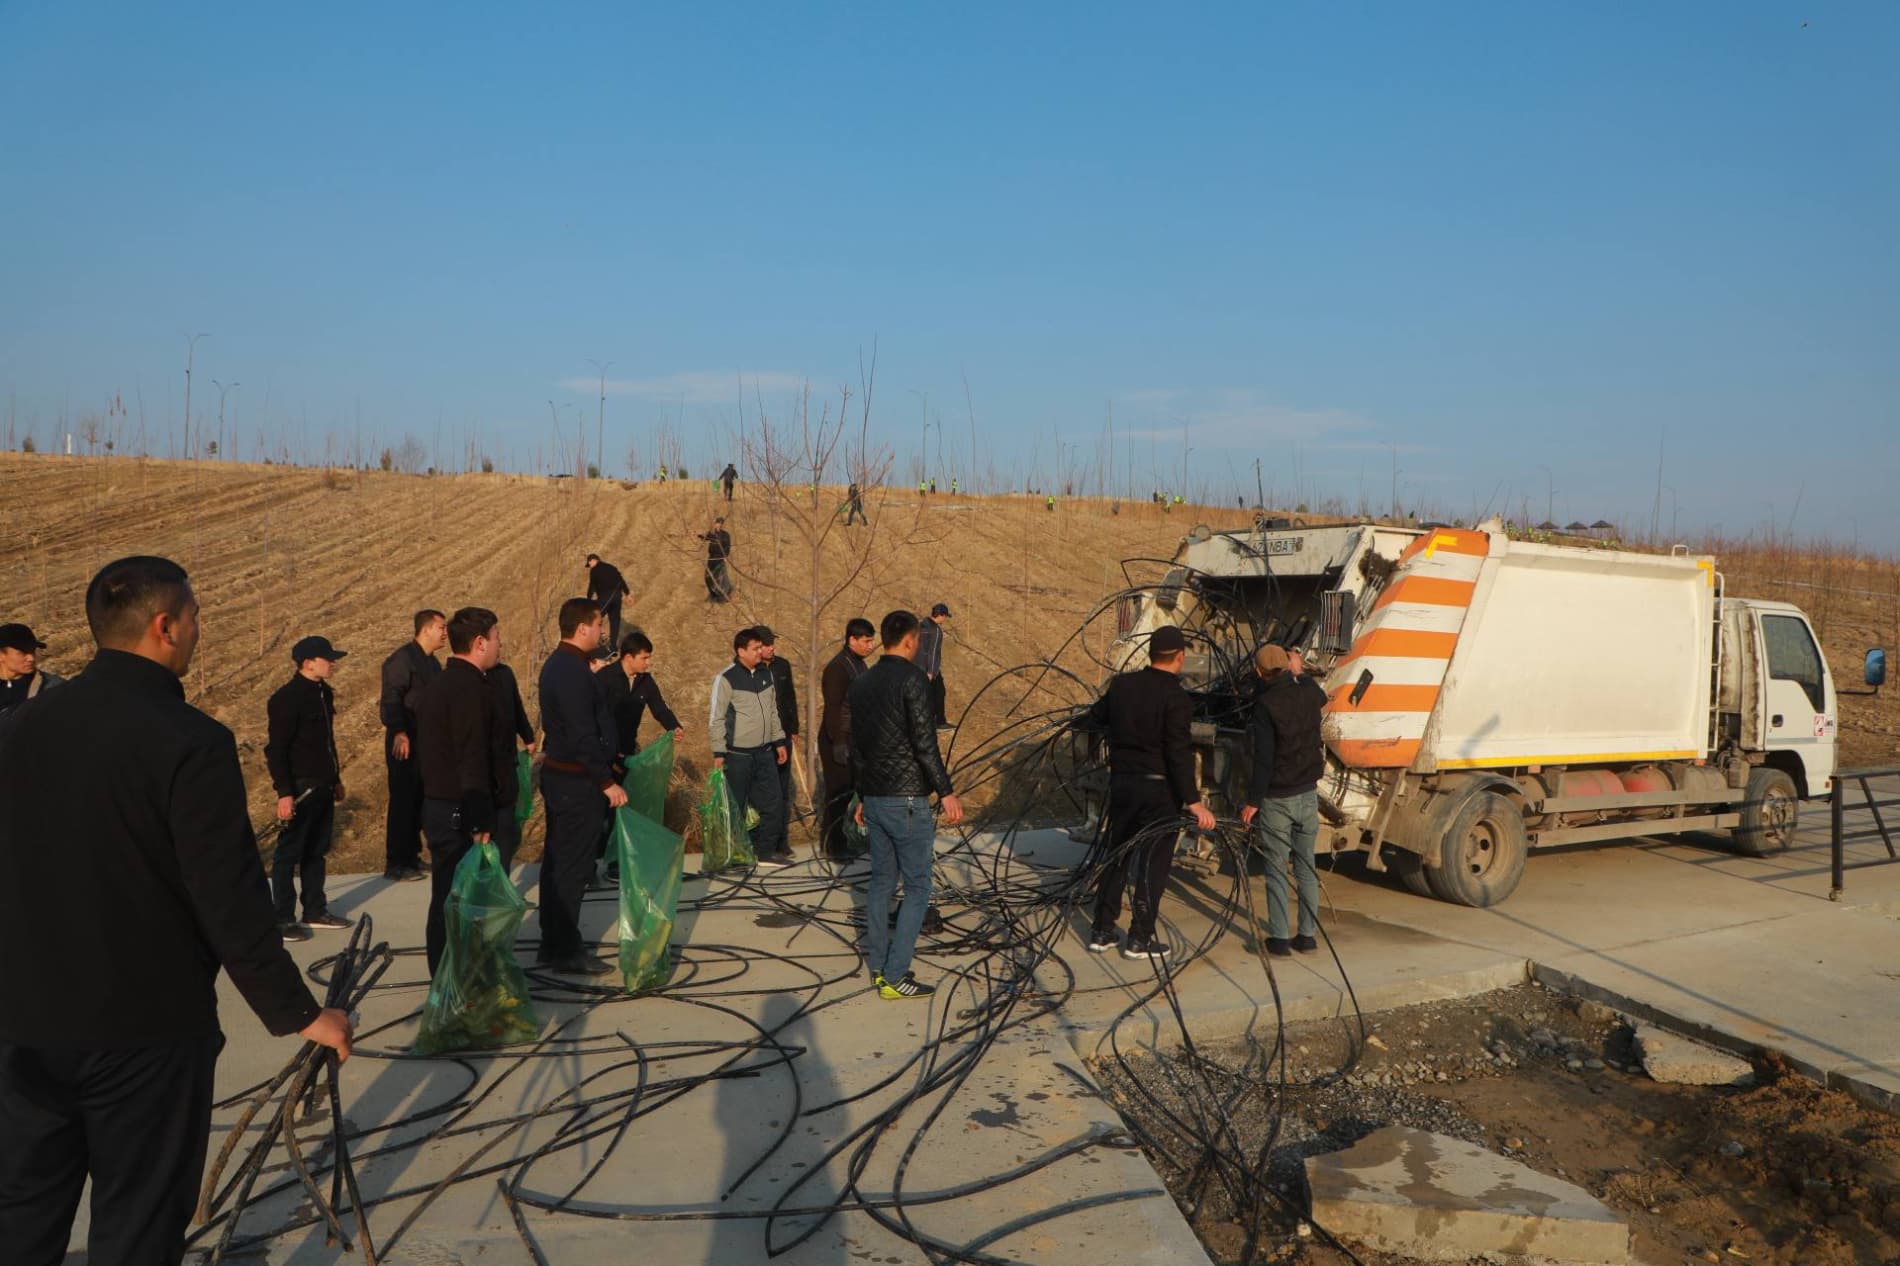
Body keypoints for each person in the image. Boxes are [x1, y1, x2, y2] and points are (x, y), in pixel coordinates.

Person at [0, 555, 352, 1263]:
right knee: (137, 1228)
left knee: (21, 1218)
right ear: (164, 626)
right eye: (194, 618)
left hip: (22, 1025)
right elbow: (227, 897)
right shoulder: (189, 741)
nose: (199, 630)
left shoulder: (17, 730)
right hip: (144, 1034)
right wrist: (300, 1012)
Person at [1084, 625, 1217, 960]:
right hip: (1159, 791)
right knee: (1152, 865)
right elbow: (1178, 753)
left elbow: (1093, 717)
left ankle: (1102, 929)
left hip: (1123, 785)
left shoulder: (1122, 685)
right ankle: (1140, 939)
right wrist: (1194, 802)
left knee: (1118, 854)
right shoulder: (1177, 697)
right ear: (1180, 657)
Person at [849, 609, 963, 999]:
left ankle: (880, 967)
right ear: (912, 640)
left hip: (877, 799)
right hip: (909, 800)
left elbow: (857, 748)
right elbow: (924, 743)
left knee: (881, 883)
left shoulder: (862, 683)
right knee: (917, 887)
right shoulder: (914, 679)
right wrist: (945, 791)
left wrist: (862, 796)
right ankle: (896, 976)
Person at [414, 607, 507, 975]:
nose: (501, 644)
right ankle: (452, 981)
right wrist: (478, 816)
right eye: (497, 637)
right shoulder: (467, 689)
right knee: (457, 901)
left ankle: (451, 976)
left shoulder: (442, 683)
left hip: (441, 807)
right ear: (480, 642)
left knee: (448, 897)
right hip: (458, 811)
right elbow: (471, 756)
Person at [537, 598, 627, 975]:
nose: (603, 632)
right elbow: (581, 733)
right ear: (582, 628)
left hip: (569, 779)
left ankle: (556, 940)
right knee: (571, 867)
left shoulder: (563, 665)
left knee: (561, 863)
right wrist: (605, 781)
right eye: (599, 625)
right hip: (576, 783)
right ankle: (563, 949)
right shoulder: (571, 671)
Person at [1240, 646, 1328, 957]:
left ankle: (1279, 939)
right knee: (1306, 868)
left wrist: (1253, 801)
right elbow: (1320, 696)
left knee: (1276, 868)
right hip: (1307, 794)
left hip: (1278, 798)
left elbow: (1264, 760)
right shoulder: (1307, 694)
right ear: (1287, 667)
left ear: (1260, 671)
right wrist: (1300, 672)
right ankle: (1307, 937)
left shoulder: (1265, 705)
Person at [264, 636, 351, 942]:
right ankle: (283, 918)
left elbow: (327, 743)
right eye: (327, 658)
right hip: (300, 789)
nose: (333, 662)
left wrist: (336, 779)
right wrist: (284, 793)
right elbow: (276, 750)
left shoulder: (323, 694)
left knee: (317, 850)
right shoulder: (286, 700)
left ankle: (314, 909)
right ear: (308, 663)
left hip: (324, 786)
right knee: (289, 855)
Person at [708, 626, 790, 865]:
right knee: (736, 807)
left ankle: (764, 851)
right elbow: (717, 718)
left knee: (773, 802)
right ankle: (731, 855)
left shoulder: (766, 674)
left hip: (765, 753)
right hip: (737, 756)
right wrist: (719, 751)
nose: (760, 652)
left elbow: (773, 711)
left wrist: (779, 740)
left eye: (760, 647)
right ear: (740, 651)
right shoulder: (726, 678)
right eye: (755, 648)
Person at [379, 609, 446, 881]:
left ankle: (412, 857)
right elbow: (391, 699)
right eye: (441, 627)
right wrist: (399, 732)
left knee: (420, 799)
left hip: (425, 741)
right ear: (426, 629)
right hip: (404, 741)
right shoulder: (402, 660)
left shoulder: (432, 663)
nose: (445, 633)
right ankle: (396, 862)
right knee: (403, 800)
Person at [819, 618, 876, 859]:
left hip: (856, 737)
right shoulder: (837, 668)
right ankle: (834, 845)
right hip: (838, 738)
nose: (870, 645)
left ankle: (849, 839)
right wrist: (839, 742)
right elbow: (833, 707)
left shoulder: (859, 665)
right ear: (851, 640)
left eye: (872, 640)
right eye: (866, 641)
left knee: (854, 790)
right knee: (838, 793)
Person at [487, 656, 536, 870]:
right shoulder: (471, 680)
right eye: (495, 638)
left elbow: (516, 708)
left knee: (507, 831)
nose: (500, 646)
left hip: (507, 763)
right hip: (484, 770)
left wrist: (528, 736)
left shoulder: (505, 673)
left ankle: (501, 889)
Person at [603, 628, 682, 759]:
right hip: (602, 751)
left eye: (649, 658)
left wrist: (674, 727)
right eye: (644, 658)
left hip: (627, 750)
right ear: (629, 657)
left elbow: (659, 708)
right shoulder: (605, 678)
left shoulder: (646, 681)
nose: (648, 663)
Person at [757, 626, 799, 851]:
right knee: (765, 791)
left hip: (783, 735)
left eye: (772, 643)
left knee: (782, 789)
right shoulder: (751, 671)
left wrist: (794, 728)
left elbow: (789, 696)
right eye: (766, 644)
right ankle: (763, 840)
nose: (771, 647)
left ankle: (782, 840)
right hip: (761, 739)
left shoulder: (782, 665)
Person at [0, 623, 63, 715]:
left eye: (32, 651)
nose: (31, 658)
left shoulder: (53, 687)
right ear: (1, 655)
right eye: (22, 653)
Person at [584, 554, 629, 660]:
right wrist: (627, 593)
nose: (589, 566)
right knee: (614, 621)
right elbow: (621, 580)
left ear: (593, 560)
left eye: (589, 564)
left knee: (593, 617)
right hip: (617, 597)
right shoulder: (611, 567)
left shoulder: (594, 570)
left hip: (606, 598)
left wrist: (588, 600)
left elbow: (592, 586)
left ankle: (592, 644)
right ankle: (613, 647)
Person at [916, 602, 952, 728]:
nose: (945, 619)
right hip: (929, 669)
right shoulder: (936, 631)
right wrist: (931, 671)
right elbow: (933, 652)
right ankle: (939, 722)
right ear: (940, 615)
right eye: (945, 616)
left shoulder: (920, 625)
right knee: (939, 692)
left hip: (916, 666)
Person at [702, 516, 734, 602]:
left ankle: (724, 595)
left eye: (718, 523)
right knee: (708, 577)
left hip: (720, 558)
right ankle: (713, 594)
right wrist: (697, 534)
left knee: (721, 577)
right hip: (711, 558)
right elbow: (705, 537)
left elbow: (727, 547)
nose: (716, 525)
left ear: (721, 524)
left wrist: (725, 557)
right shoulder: (713, 533)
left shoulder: (725, 535)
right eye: (716, 523)